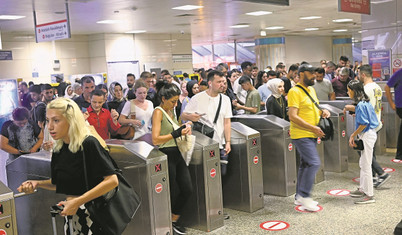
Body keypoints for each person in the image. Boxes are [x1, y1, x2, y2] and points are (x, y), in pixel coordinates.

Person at [17, 98, 118, 234]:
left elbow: (112, 180)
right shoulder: (59, 148)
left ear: (71, 120)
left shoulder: (88, 143)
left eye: (56, 120)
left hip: (96, 218)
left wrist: (77, 201)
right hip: (73, 217)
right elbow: (61, 183)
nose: (50, 126)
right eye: (48, 120)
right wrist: (37, 183)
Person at [151, 82, 193, 235]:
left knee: (187, 188)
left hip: (177, 153)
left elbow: (175, 129)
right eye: (172, 101)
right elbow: (155, 139)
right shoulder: (158, 112)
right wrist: (175, 134)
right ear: (163, 98)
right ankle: (166, 224)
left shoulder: (172, 111)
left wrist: (184, 127)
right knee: (171, 191)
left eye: (176, 101)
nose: (175, 104)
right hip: (166, 154)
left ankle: (173, 219)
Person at [288, 64, 330, 211]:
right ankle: (305, 196)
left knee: (305, 164)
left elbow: (312, 108)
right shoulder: (294, 91)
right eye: (310, 73)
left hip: (311, 134)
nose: (313, 76)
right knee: (314, 163)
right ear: (301, 74)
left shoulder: (311, 89)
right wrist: (312, 127)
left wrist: (322, 112)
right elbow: (292, 116)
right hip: (301, 134)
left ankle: (299, 196)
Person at [182, 70, 232, 176]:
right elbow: (183, 115)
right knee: (208, 174)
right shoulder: (197, 98)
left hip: (221, 143)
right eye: (219, 82)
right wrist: (191, 117)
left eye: (224, 82)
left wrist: (228, 142)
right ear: (210, 83)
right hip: (204, 144)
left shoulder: (226, 99)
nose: (222, 85)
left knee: (222, 173)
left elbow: (227, 122)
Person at [346, 80, 379, 204]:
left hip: (367, 135)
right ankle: (363, 189)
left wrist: (352, 135)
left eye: (349, 90)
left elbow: (364, 123)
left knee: (366, 166)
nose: (347, 92)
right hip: (368, 134)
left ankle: (370, 195)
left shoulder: (360, 105)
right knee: (363, 164)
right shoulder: (365, 102)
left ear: (354, 91)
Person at [385, 68, 402, 160]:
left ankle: (399, 154)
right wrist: (391, 103)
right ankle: (399, 154)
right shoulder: (399, 73)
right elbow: (387, 87)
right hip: (400, 106)